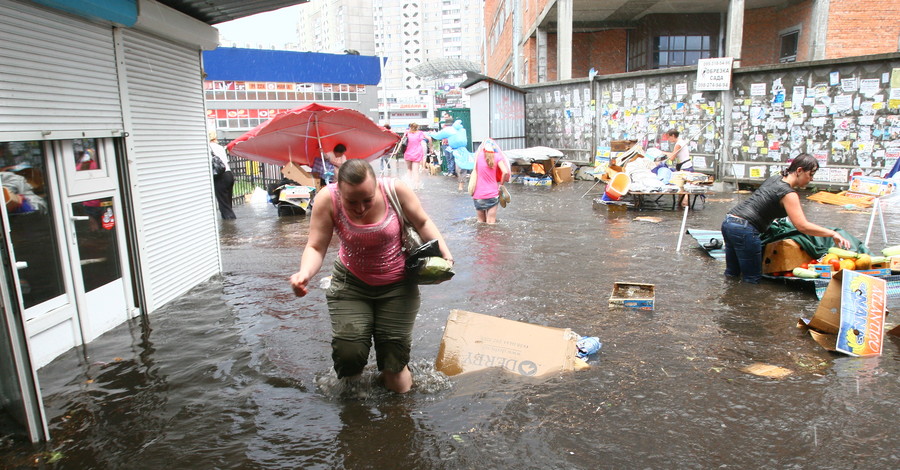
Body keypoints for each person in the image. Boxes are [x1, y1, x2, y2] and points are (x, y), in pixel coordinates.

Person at [289, 159, 453, 394]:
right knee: (349, 355)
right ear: (340, 191)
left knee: (394, 362)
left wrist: (445, 256)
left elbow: (423, 221)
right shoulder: (327, 198)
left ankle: (399, 415)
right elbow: (315, 247)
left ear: (377, 186)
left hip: (398, 286)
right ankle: (354, 414)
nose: (360, 208)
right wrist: (304, 274)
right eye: (351, 201)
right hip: (350, 284)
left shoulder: (394, 191)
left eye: (367, 200)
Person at [721, 153, 850, 283]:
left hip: (729, 222)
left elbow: (765, 202)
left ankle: (730, 299)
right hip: (745, 229)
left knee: (732, 273)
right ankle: (748, 303)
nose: (811, 179)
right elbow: (802, 226)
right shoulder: (789, 194)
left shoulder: (775, 178)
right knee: (752, 279)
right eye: (810, 174)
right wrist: (832, 234)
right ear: (799, 170)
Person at [470, 140, 510, 224]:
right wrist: (501, 185)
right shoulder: (497, 156)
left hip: (478, 195)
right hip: (492, 194)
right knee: (491, 222)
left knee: (480, 222)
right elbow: (505, 172)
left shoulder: (478, 156)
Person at [209, 131, 236, 220]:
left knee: (224, 204)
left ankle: (230, 224)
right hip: (229, 174)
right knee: (228, 202)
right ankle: (230, 220)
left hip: (220, 176)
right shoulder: (220, 147)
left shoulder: (208, 147)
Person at [663, 129, 692, 207]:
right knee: (681, 187)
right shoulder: (681, 142)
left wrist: (662, 153)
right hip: (683, 165)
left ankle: (684, 205)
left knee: (684, 188)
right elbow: (673, 154)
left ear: (673, 136)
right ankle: (681, 206)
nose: (668, 140)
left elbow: (672, 157)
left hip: (685, 167)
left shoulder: (678, 144)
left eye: (668, 138)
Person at [402, 123, 429, 190]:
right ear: (417, 127)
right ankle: (417, 186)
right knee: (416, 171)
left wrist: (396, 152)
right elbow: (429, 138)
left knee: (409, 169)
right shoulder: (420, 133)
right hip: (417, 153)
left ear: (410, 127)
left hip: (408, 153)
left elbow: (401, 142)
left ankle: (408, 185)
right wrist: (431, 147)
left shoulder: (407, 133)